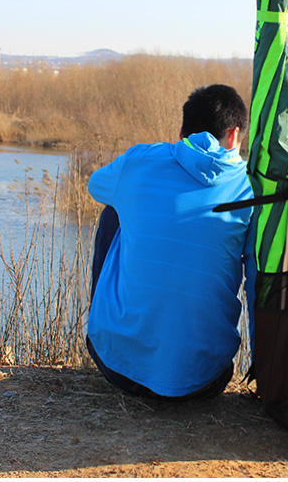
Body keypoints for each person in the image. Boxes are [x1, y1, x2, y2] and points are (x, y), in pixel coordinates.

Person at [86, 84, 255, 400]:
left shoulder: (140, 160)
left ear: (181, 131)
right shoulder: (249, 190)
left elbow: (95, 186)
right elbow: (253, 284)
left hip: (118, 369)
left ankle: (113, 331)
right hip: (205, 380)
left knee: (114, 210)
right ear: (234, 136)